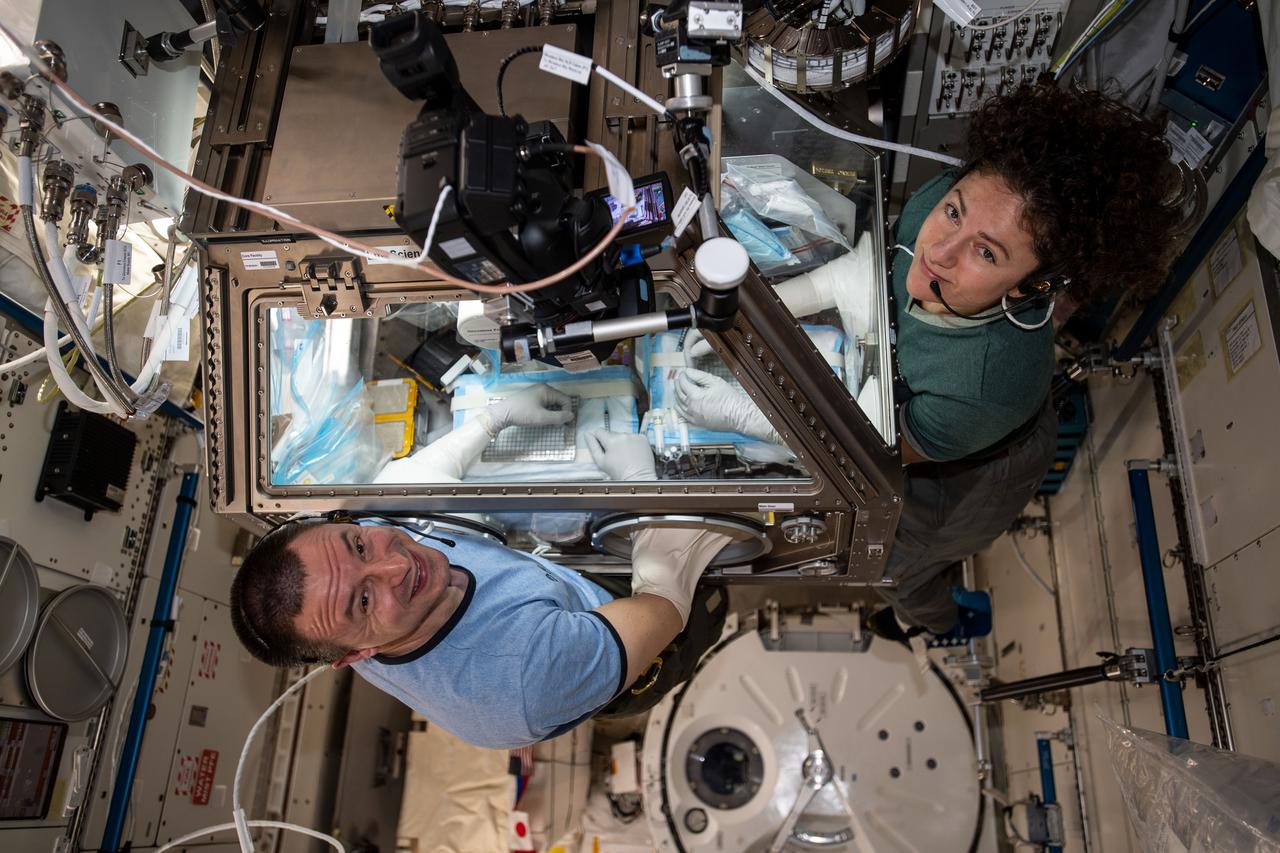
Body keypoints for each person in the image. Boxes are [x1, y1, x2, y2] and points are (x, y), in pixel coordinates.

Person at [675, 83, 1184, 639]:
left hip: (970, 474)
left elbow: (872, 455)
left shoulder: (983, 387)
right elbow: (876, 271)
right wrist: (767, 309)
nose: (939, 251)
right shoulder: (944, 204)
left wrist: (749, 416)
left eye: (986, 252)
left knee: (900, 563)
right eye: (953, 214)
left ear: (1030, 286)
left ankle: (944, 623)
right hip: (925, 405)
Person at [231, 384, 723, 749]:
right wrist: (641, 487)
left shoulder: (350, 543)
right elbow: (662, 605)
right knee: (702, 596)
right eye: (363, 601)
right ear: (353, 656)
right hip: (634, 642)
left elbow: (409, 483)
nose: (395, 566)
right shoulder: (520, 681)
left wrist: (494, 419)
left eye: (358, 545)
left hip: (563, 584)